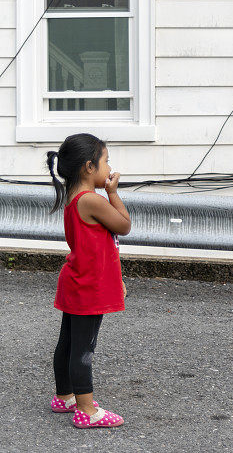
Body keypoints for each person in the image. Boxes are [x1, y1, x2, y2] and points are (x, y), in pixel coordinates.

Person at [46, 133, 131, 427]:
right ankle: (86, 410)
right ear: (88, 167)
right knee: (84, 347)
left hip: (76, 281)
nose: (109, 168)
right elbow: (124, 225)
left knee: (68, 343)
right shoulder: (92, 200)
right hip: (88, 287)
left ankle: (64, 396)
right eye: (106, 162)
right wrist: (114, 193)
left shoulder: (74, 197)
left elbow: (101, 247)